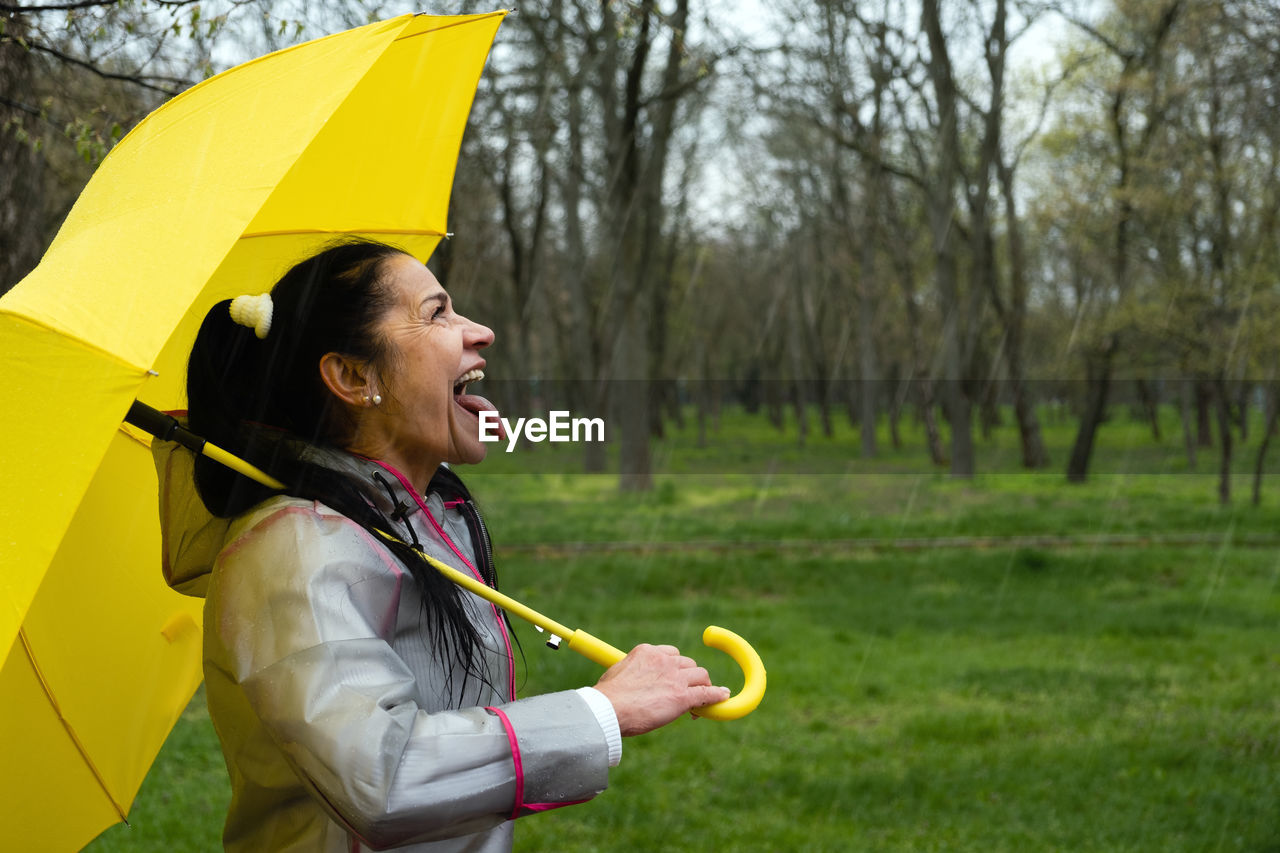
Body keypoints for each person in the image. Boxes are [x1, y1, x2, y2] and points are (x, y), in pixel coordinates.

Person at [155, 238, 729, 852]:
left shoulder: (423, 518)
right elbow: (383, 780)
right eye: (437, 314)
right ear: (353, 376)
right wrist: (601, 713)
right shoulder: (292, 553)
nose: (479, 332)